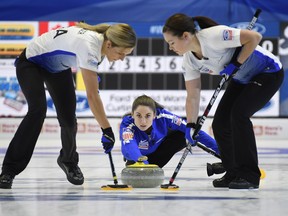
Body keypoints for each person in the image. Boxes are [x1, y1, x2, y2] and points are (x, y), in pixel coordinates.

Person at [0, 22, 137, 189]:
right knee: (37, 111)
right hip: (30, 63)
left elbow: (94, 92)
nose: (122, 58)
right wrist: (107, 130)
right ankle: (9, 170)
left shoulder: (100, 45)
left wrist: (105, 128)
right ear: (109, 44)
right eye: (121, 53)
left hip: (57, 68)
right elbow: (92, 96)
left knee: (68, 118)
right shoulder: (90, 46)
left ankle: (68, 160)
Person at [162, 13, 284, 189]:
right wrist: (190, 125)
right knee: (220, 123)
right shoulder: (189, 60)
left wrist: (236, 62)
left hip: (268, 72)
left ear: (186, 36)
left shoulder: (214, 36)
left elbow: (254, 37)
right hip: (242, 78)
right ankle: (233, 172)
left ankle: (249, 175)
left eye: (171, 43)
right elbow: (193, 94)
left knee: (239, 115)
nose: (170, 48)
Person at [120, 95, 219, 168]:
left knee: (184, 134)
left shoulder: (163, 117)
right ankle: (137, 164)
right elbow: (129, 144)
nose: (143, 121)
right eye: (138, 115)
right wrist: (141, 162)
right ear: (132, 114)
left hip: (155, 156)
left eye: (148, 116)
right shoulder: (127, 124)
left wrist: (222, 151)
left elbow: (194, 132)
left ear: (154, 114)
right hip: (135, 159)